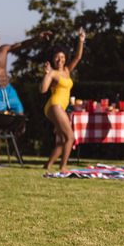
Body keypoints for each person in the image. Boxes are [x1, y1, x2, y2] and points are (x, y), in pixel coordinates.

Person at [0, 29, 49, 114]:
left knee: (20, 116)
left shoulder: (4, 50)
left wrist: (37, 38)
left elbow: (22, 44)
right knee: (0, 119)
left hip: (9, 90)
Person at [40, 28, 86, 173]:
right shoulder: (52, 73)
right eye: (57, 57)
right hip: (55, 106)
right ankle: (63, 167)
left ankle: (48, 165)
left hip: (60, 107)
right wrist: (46, 75)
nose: (60, 60)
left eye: (63, 57)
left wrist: (81, 40)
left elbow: (78, 57)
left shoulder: (66, 70)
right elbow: (43, 90)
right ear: (52, 59)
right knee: (70, 137)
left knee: (61, 140)